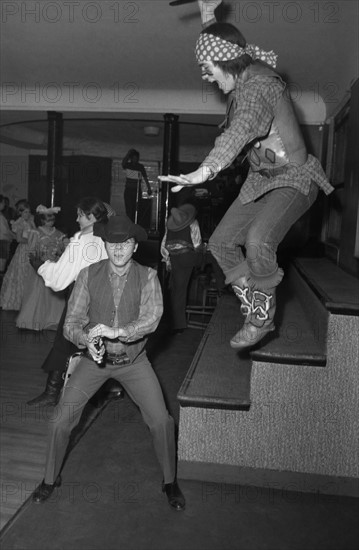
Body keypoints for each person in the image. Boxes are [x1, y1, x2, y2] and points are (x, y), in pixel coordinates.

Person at [160, 0, 334, 349]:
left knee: (257, 240)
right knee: (221, 243)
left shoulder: (259, 88)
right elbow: (217, 44)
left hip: (295, 178)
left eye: (208, 69)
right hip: (261, 182)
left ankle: (262, 316)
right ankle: (254, 299)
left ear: (225, 61)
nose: (206, 77)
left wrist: (206, 170)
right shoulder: (242, 74)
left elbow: (239, 130)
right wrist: (208, 14)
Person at [31, 215, 186, 512]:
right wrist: (86, 338)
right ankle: (49, 479)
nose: (118, 249)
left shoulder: (149, 276)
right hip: (94, 362)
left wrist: (120, 332)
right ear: (105, 244)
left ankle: (169, 481)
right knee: (59, 420)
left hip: (134, 362)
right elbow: (72, 322)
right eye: (112, 243)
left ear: (134, 246)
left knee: (162, 421)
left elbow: (152, 318)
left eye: (124, 243)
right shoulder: (89, 274)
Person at [27, 197, 123, 407]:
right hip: (107, 299)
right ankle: (107, 389)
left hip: (81, 300)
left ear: (91, 217)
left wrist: (40, 265)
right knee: (97, 344)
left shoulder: (81, 241)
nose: (77, 219)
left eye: (80, 214)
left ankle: (53, 393)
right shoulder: (108, 238)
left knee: (65, 343)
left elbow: (58, 280)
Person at [16, 205, 68, 331]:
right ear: (42, 220)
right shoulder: (36, 233)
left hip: (53, 267)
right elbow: (32, 251)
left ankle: (53, 320)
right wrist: (40, 258)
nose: (50, 222)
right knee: (37, 293)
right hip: (40, 266)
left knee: (53, 294)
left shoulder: (59, 234)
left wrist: (58, 253)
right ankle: (34, 320)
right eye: (47, 220)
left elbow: (63, 250)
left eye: (52, 220)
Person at [160, 203, 202, 334]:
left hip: (174, 258)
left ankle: (173, 322)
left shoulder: (170, 227)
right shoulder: (193, 223)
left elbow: (164, 245)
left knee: (176, 289)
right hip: (187, 257)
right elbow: (197, 243)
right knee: (180, 291)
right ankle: (177, 325)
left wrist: (167, 260)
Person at [0, 199, 36, 310]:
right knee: (21, 274)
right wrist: (31, 240)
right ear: (20, 212)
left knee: (31, 273)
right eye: (25, 212)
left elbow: (35, 232)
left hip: (31, 249)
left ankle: (30, 300)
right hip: (23, 250)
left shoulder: (30, 221)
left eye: (28, 211)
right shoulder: (20, 222)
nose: (27, 214)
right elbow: (19, 239)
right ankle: (18, 300)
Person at [122, 148, 152, 222]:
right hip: (128, 190)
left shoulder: (140, 166)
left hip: (137, 190)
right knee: (129, 208)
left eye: (136, 158)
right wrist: (128, 154)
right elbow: (123, 163)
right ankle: (129, 223)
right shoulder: (128, 165)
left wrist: (149, 188)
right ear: (131, 158)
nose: (135, 159)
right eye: (134, 158)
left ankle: (135, 223)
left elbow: (145, 178)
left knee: (136, 208)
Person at [0, 194, 15, 273]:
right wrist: (15, 236)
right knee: (2, 264)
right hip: (2, 241)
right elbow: (5, 231)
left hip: (3, 240)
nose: (4, 204)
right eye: (3, 202)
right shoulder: (0, 216)